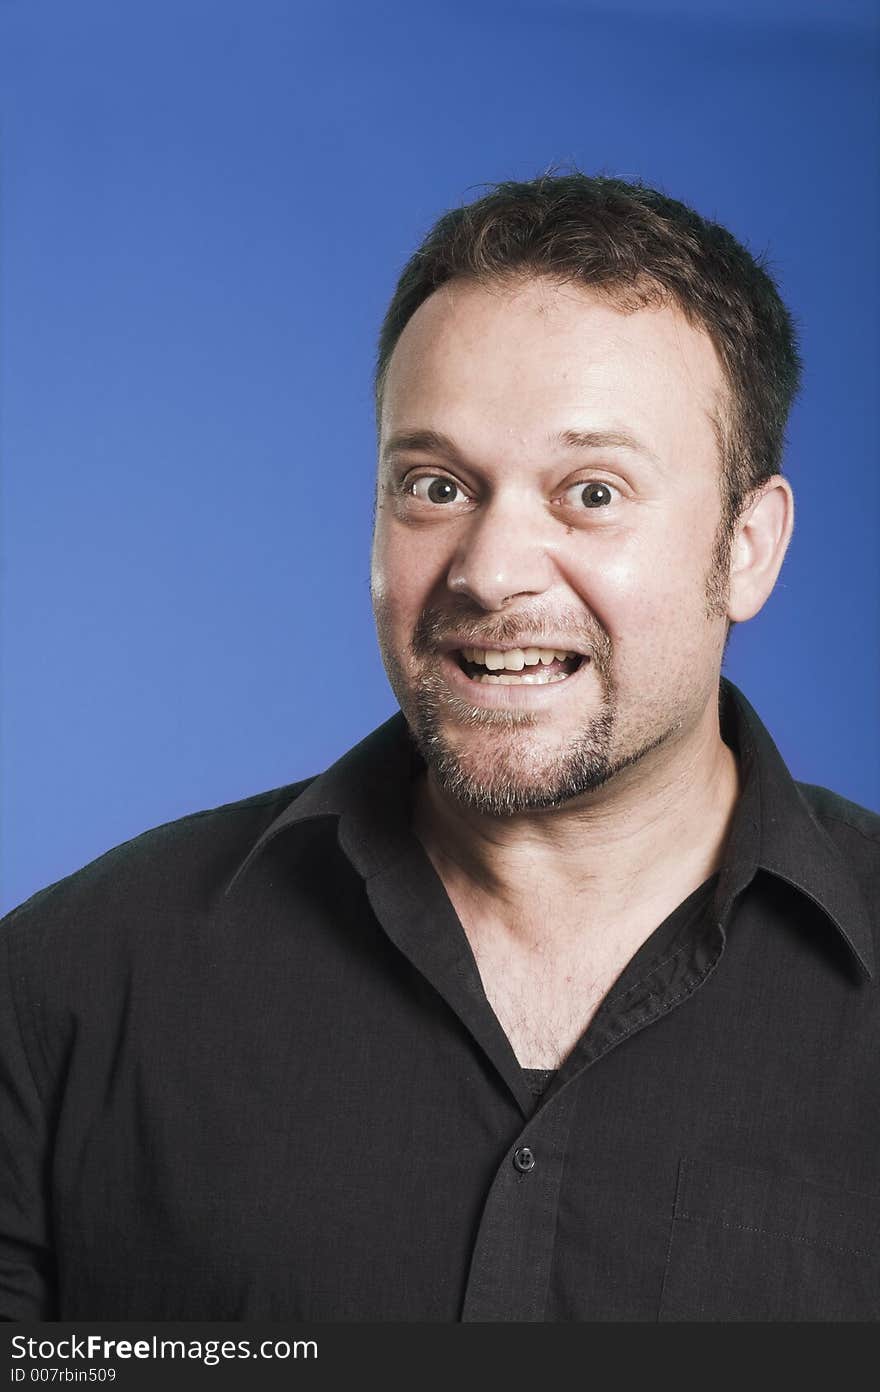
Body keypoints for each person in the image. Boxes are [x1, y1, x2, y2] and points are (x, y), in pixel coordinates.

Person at [2, 172, 878, 1324]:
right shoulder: (69, 985)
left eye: (592, 492)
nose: (489, 569)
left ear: (748, 548)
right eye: (435, 485)